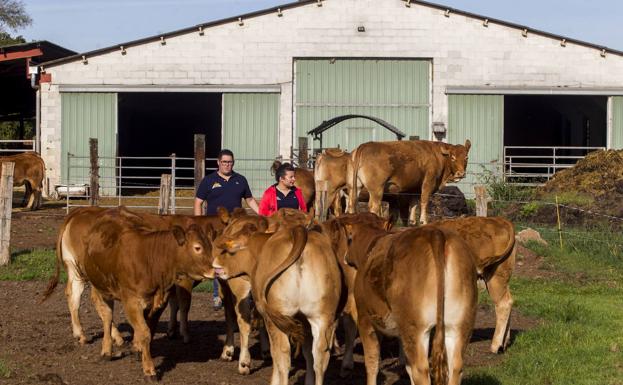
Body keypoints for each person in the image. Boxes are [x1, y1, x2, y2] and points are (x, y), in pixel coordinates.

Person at [194, 149, 259, 310]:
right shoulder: (209, 180)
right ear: (218, 162)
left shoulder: (240, 180)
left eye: (230, 162)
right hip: (215, 229)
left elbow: (249, 199)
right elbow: (198, 202)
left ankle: (241, 293)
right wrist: (199, 223)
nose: (227, 165)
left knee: (238, 258)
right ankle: (218, 295)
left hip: (236, 229)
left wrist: (263, 214)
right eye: (224, 162)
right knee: (217, 260)